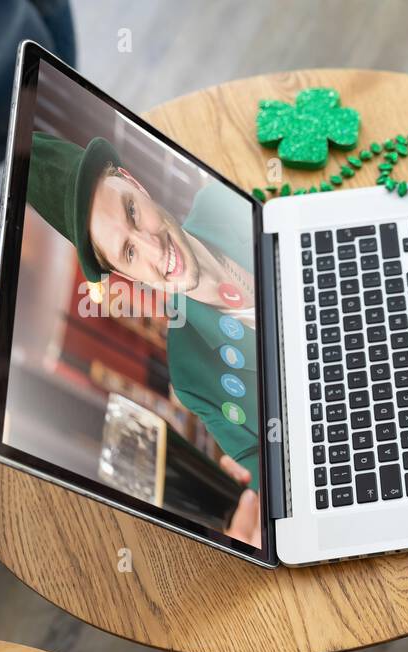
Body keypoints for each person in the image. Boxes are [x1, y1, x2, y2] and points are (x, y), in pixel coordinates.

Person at [26, 131, 262, 546]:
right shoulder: (192, 375)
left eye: (132, 212)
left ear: (134, 182)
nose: (154, 248)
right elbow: (269, 472)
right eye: (128, 253)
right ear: (121, 273)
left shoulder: (226, 200)